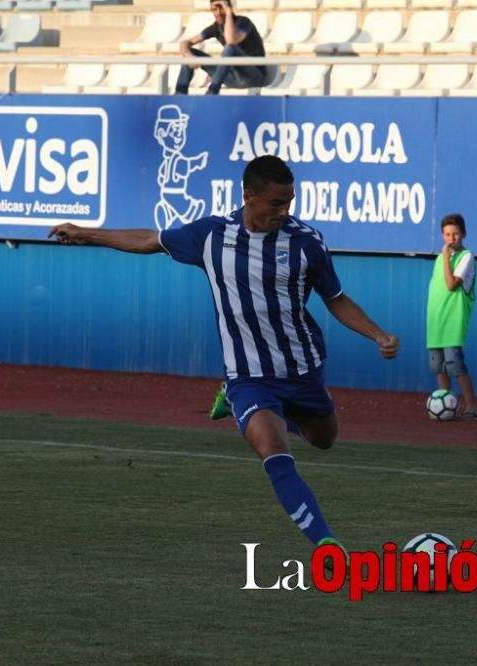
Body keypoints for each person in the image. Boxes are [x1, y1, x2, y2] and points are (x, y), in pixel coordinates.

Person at [49, 155, 399, 555]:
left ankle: (275, 414)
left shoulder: (306, 243)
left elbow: (335, 299)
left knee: (324, 440)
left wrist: (377, 334)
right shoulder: (212, 235)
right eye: (276, 203)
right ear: (248, 196)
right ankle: (325, 543)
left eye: (289, 202)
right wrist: (85, 234)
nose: (284, 212)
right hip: (248, 376)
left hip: (303, 370)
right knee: (274, 450)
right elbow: (150, 239)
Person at [426, 213, 477, 420]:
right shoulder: (440, 258)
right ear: (442, 235)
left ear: (463, 234)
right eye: (448, 234)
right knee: (437, 366)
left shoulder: (466, 257)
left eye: (456, 234)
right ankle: (449, 403)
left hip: (453, 321)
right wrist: (444, 257)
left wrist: (446, 258)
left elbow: (451, 284)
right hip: (436, 320)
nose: (451, 239)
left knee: (455, 365)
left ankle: (472, 406)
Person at [175, 0, 272, 96]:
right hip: (233, 77)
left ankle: (212, 92)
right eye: (214, 9)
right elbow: (185, 43)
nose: (218, 13)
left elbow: (230, 40)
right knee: (190, 52)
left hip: (253, 77)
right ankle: (179, 95)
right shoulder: (216, 27)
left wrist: (229, 13)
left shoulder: (244, 22)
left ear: (229, 8)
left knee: (230, 48)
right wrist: (189, 56)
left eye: (221, 9)